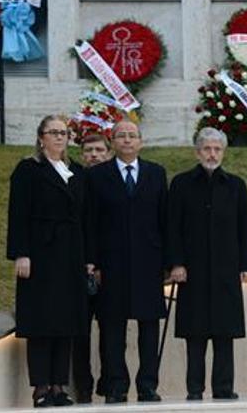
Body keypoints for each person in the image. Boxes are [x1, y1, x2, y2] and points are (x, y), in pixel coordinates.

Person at [167, 127, 247, 401]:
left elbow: (244, 228)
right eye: (207, 148)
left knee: (224, 333)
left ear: (223, 152)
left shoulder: (236, 185)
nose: (212, 154)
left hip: (225, 271)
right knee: (195, 334)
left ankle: (224, 388)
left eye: (217, 149)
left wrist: (246, 263)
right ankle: (194, 389)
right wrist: (176, 263)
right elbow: (173, 228)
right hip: (191, 271)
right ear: (197, 152)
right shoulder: (181, 184)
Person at [6, 115, 88, 408]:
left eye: (63, 133)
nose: (58, 137)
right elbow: (18, 213)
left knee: (65, 320)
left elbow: (84, 218)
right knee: (42, 320)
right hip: (40, 254)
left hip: (70, 255)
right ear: (41, 137)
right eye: (53, 132)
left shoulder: (75, 171)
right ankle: (41, 387)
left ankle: (58, 385)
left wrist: (87, 258)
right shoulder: (29, 169)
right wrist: (21, 252)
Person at [84, 121, 168, 403]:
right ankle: (116, 385)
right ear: (113, 142)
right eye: (122, 136)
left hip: (148, 262)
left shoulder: (156, 173)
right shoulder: (97, 176)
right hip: (112, 264)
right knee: (112, 328)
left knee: (148, 328)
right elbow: (91, 222)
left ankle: (147, 385)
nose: (128, 140)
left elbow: (164, 220)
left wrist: (169, 262)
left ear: (141, 142)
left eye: (133, 136)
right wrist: (92, 261)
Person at [71, 132, 113, 403]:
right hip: (78, 269)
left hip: (110, 269)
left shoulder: (115, 181)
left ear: (108, 153)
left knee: (110, 331)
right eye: (88, 150)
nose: (94, 155)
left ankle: (108, 383)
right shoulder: (73, 181)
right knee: (80, 333)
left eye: (99, 150)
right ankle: (82, 386)